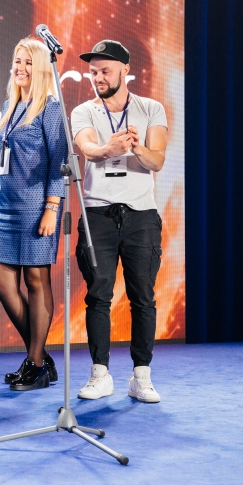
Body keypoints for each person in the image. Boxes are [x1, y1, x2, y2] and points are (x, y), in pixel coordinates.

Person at [71, 40, 168, 403]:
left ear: (125, 70)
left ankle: (141, 377)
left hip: (141, 215)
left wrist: (136, 148)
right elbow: (87, 148)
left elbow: (157, 160)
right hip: (97, 214)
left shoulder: (151, 108)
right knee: (98, 296)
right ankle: (100, 375)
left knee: (143, 297)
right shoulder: (83, 111)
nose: (97, 77)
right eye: (93, 72)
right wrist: (107, 150)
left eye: (105, 71)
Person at [0, 37, 68, 391]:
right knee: (0, 282)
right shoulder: (10, 105)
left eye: (28, 62)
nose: (20, 68)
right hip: (5, 205)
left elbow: (58, 164)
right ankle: (41, 357)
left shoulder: (51, 108)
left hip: (37, 206)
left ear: (42, 69)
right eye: (17, 61)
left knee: (36, 282)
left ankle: (35, 364)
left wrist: (52, 207)